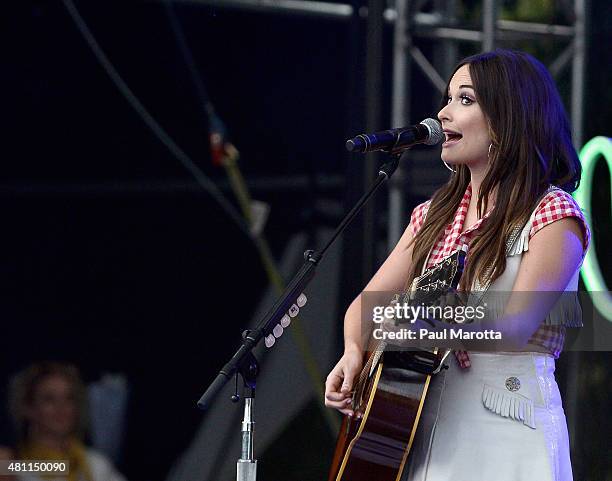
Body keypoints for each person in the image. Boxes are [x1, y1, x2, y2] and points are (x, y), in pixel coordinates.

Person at [324, 49, 589, 481]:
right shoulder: (434, 214)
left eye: (465, 100)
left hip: (507, 428)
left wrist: (421, 320)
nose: (444, 113)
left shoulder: (552, 214)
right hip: (425, 428)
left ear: (509, 119)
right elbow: (367, 307)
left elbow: (516, 324)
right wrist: (355, 352)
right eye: (448, 98)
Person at [4, 362, 128, 481]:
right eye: (49, 399)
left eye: (69, 398)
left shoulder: (95, 464)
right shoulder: (14, 465)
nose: (61, 407)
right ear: (28, 407)